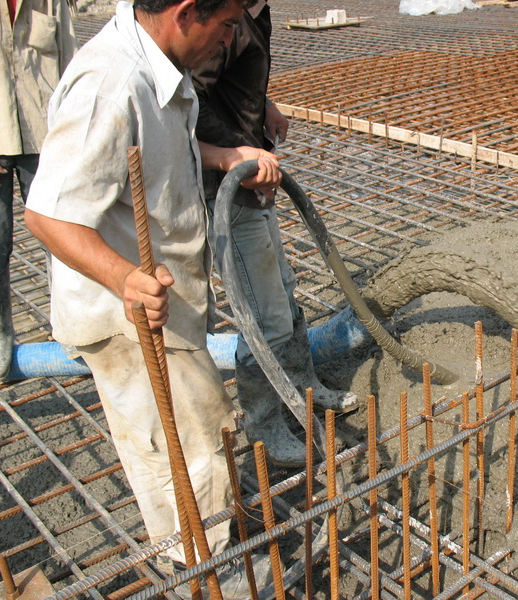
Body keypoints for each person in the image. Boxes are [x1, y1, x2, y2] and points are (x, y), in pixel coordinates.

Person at [24, 0, 280, 596]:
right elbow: (46, 213)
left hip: (166, 305)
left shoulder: (161, 64)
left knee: (197, 437)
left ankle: (208, 549)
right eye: (225, 26)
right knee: (184, 450)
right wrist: (123, 279)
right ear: (187, 12)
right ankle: (209, 571)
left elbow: (163, 148)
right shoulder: (112, 82)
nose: (230, 41)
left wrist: (223, 156)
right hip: (128, 317)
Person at [191, 0, 358, 469]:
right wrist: (235, 152)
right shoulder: (225, 20)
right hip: (228, 187)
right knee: (262, 317)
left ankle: (304, 390)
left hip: (252, 177)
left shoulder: (253, 11)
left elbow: (228, 83)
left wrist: (264, 105)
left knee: (283, 293)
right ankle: (264, 425)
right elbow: (193, 101)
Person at [0, 0, 78, 383]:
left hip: (45, 138)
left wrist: (71, 138)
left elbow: (72, 65)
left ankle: (66, 323)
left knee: (60, 235)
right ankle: (1, 329)